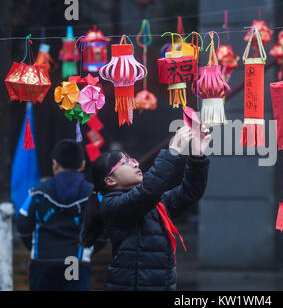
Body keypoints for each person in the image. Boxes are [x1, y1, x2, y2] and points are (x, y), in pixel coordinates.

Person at [81, 125, 211, 291]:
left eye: (132, 159)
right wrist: (172, 152)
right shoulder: (111, 205)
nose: (135, 164)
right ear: (110, 181)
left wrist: (198, 156)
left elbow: (190, 192)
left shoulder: (155, 202)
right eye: (125, 162)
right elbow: (148, 192)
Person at [16, 139, 96, 291]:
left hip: (43, 263)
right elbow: (103, 229)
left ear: (55, 164)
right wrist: (90, 249)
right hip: (75, 262)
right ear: (83, 165)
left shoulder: (38, 192)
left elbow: (22, 224)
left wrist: (34, 246)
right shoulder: (93, 194)